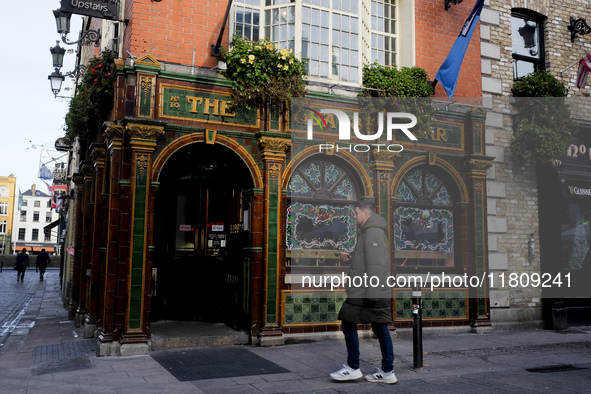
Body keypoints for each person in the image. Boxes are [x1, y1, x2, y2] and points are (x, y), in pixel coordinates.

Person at [330, 201, 397, 384]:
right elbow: (368, 260)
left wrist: (372, 295)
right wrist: (353, 257)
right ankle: (388, 371)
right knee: (380, 327)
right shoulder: (370, 232)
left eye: (356, 212)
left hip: (367, 291)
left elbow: (376, 266)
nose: (355, 216)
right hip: (369, 289)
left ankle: (353, 368)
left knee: (348, 321)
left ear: (365, 214)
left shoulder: (373, 232)